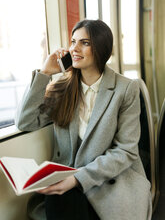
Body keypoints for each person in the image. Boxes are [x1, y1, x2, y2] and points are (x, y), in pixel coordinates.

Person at [15, 19, 152, 220]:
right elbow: (25, 122)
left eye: (84, 43)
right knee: (58, 198)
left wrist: (78, 179)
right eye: (73, 42)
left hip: (110, 179)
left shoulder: (125, 89)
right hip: (66, 179)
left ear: (101, 47)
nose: (74, 49)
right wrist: (44, 73)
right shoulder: (63, 88)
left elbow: (125, 151)